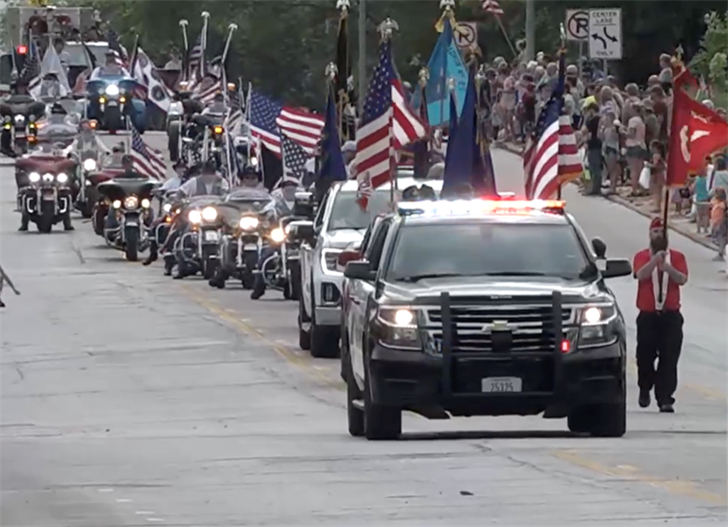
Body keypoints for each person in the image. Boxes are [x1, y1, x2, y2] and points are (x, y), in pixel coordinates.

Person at [633, 218, 688, 413]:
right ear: (650, 234)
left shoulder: (677, 257)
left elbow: (682, 279)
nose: (659, 235)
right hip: (648, 316)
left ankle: (665, 397)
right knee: (645, 356)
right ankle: (645, 387)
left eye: (662, 232)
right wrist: (654, 261)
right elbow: (640, 275)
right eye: (655, 231)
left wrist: (668, 267)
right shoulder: (641, 256)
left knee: (669, 357)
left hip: (670, 316)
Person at [251, 179, 300, 299]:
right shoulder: (275, 203)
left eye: (292, 187)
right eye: (286, 187)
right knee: (266, 255)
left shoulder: (302, 203)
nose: (289, 190)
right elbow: (264, 212)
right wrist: (263, 215)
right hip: (280, 236)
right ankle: (259, 287)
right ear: (282, 190)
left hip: (298, 238)